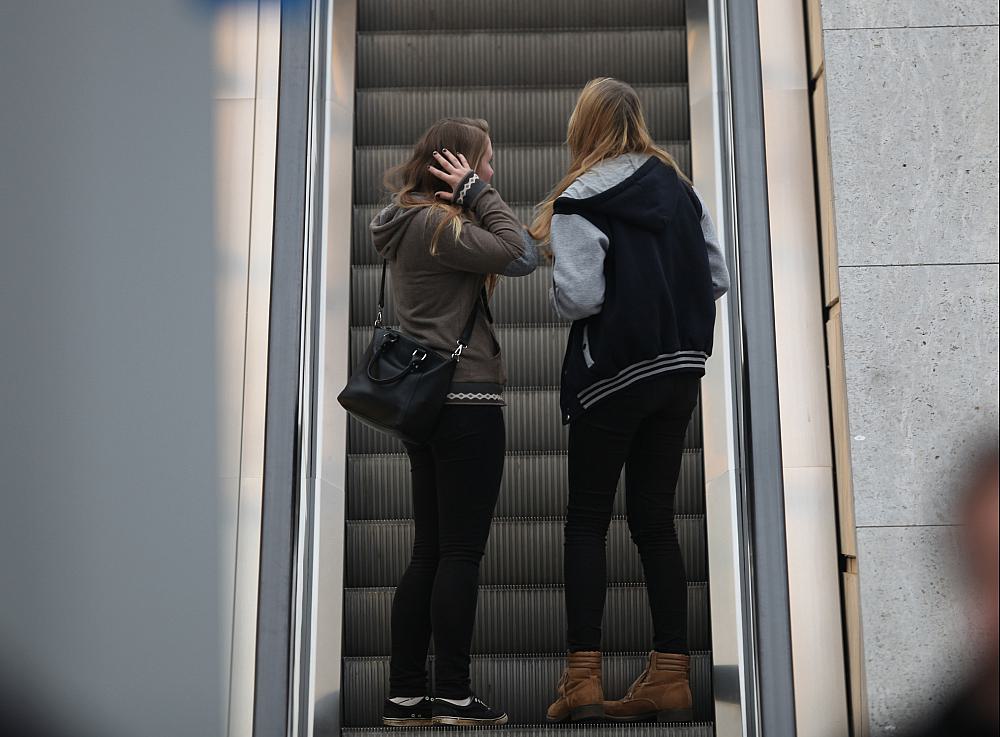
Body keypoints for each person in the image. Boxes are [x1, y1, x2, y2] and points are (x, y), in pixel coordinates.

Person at [529, 78, 730, 723]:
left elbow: (581, 299)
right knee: (654, 519)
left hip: (612, 376)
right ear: (637, 120)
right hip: (678, 372)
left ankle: (583, 680)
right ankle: (669, 676)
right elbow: (718, 274)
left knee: (588, 521)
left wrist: (562, 285)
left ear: (583, 125)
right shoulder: (680, 188)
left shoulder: (580, 198)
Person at [369, 117, 537, 727]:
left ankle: (407, 693)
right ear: (457, 167)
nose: (491, 173)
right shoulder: (443, 225)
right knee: (460, 553)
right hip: (466, 404)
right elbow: (523, 255)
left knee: (429, 552)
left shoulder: (405, 222)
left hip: (424, 405)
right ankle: (454, 695)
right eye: (484, 163)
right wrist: (476, 195)